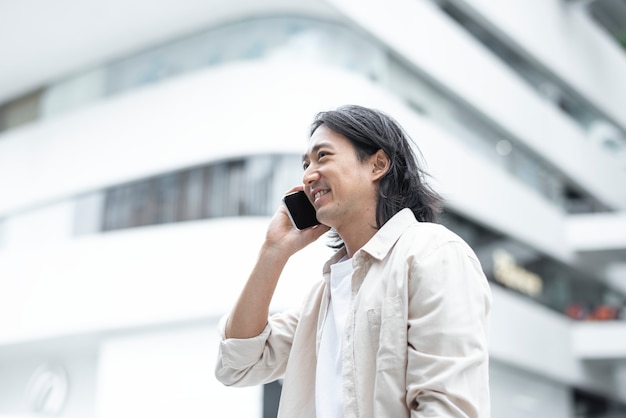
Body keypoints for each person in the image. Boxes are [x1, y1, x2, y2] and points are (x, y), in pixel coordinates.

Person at [215, 104, 492, 417]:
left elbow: (445, 406)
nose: (308, 174)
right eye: (305, 164)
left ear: (377, 165)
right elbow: (237, 365)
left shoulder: (432, 253)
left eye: (323, 156)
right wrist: (273, 252)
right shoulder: (322, 300)